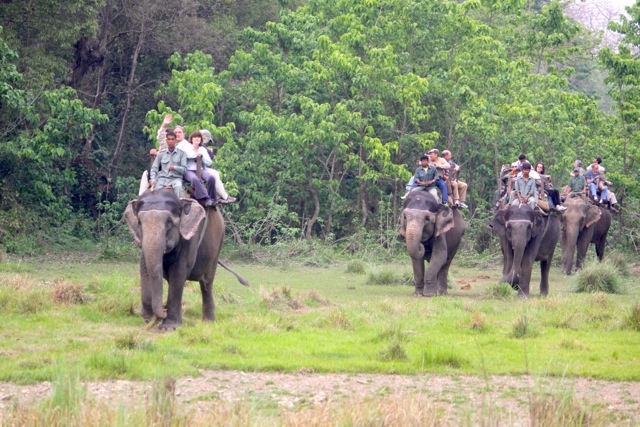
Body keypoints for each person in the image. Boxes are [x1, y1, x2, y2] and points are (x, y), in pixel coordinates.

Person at [200, 129, 237, 204]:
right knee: (214, 174)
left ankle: (222, 196)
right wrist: (209, 151)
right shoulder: (200, 146)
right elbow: (210, 158)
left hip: (202, 167)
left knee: (215, 174)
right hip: (200, 168)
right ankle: (224, 197)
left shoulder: (203, 147)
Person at [149, 131, 187, 197]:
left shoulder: (182, 153)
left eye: (172, 139)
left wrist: (174, 168)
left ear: (175, 140)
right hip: (162, 178)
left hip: (175, 178)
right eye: (169, 139)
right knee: (155, 192)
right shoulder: (161, 153)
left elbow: (184, 169)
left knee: (178, 187)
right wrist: (153, 180)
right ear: (166, 140)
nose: (170, 141)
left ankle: (179, 205)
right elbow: (154, 168)